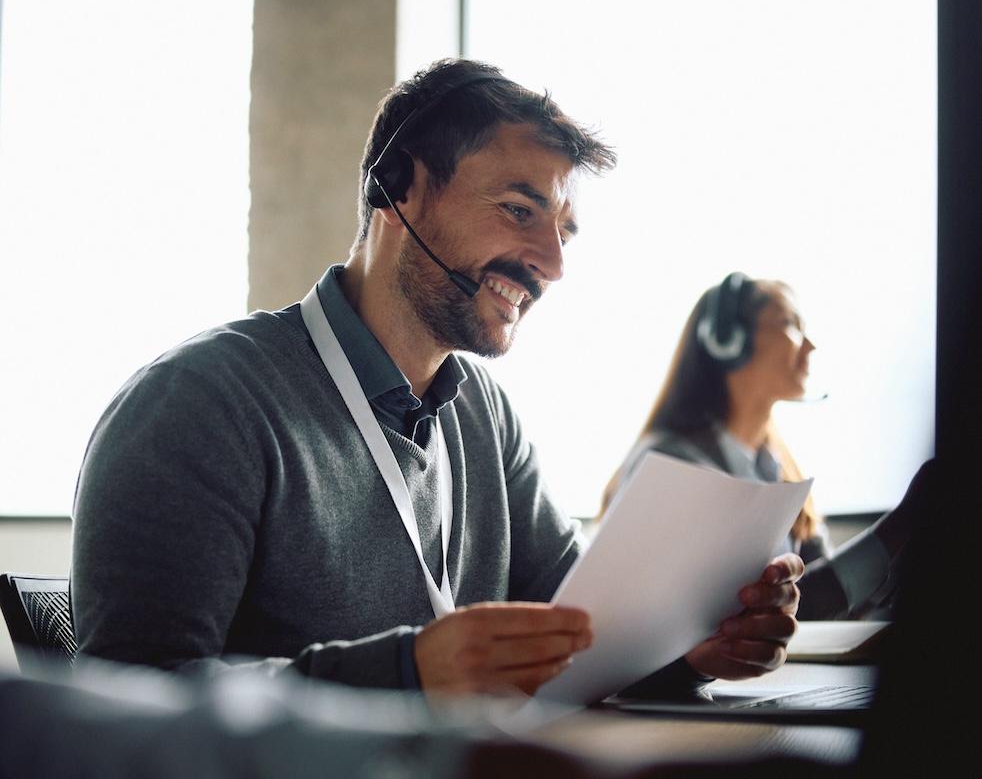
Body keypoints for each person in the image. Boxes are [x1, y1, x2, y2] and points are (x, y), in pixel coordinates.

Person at [70, 59, 804, 698]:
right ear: (399, 188)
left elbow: (580, 631)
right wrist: (407, 676)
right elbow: (131, 699)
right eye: (520, 210)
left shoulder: (485, 415)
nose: (550, 263)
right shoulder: (197, 405)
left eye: (563, 233)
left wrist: (688, 649)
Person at [601, 273, 911, 620]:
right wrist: (902, 523)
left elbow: (832, 596)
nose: (810, 345)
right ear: (728, 341)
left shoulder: (777, 468)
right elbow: (757, 615)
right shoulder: (673, 464)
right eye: (790, 324)